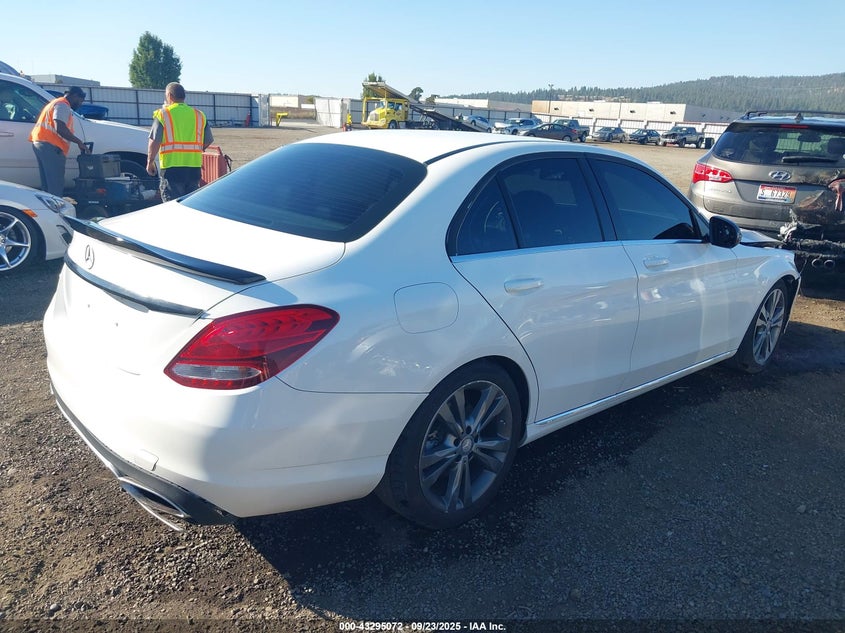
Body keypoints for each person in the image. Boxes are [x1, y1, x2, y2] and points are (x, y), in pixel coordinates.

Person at [146, 82, 213, 201]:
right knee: (190, 204)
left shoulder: (163, 114)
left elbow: (154, 141)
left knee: (172, 206)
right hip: (193, 169)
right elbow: (208, 140)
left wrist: (150, 161)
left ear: (170, 96)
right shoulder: (199, 115)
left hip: (172, 170)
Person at [28, 86, 88, 196]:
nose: (80, 104)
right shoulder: (63, 105)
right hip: (51, 145)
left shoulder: (55, 103)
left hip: (41, 143)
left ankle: (47, 208)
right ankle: (56, 210)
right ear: (75, 96)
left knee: (48, 183)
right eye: (80, 101)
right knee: (55, 183)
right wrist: (78, 142)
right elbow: (60, 127)